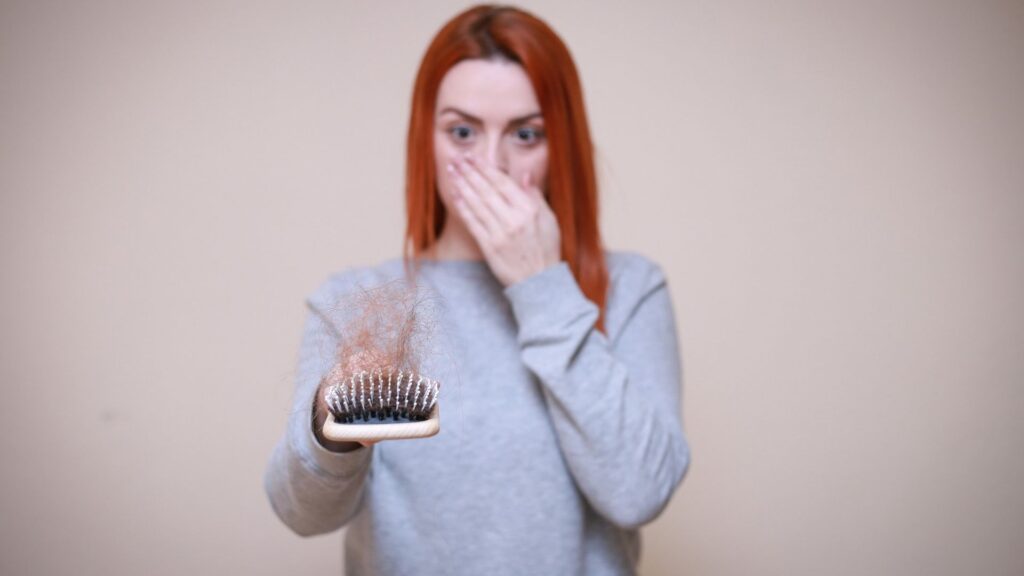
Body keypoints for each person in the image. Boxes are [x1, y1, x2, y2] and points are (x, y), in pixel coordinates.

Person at [264, 5, 691, 575]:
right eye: (462, 131)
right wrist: (331, 421)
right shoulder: (360, 300)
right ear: (427, 138)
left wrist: (543, 286)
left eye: (526, 133)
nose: (491, 164)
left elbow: (640, 491)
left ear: (559, 143)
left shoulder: (632, 289)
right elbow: (301, 513)